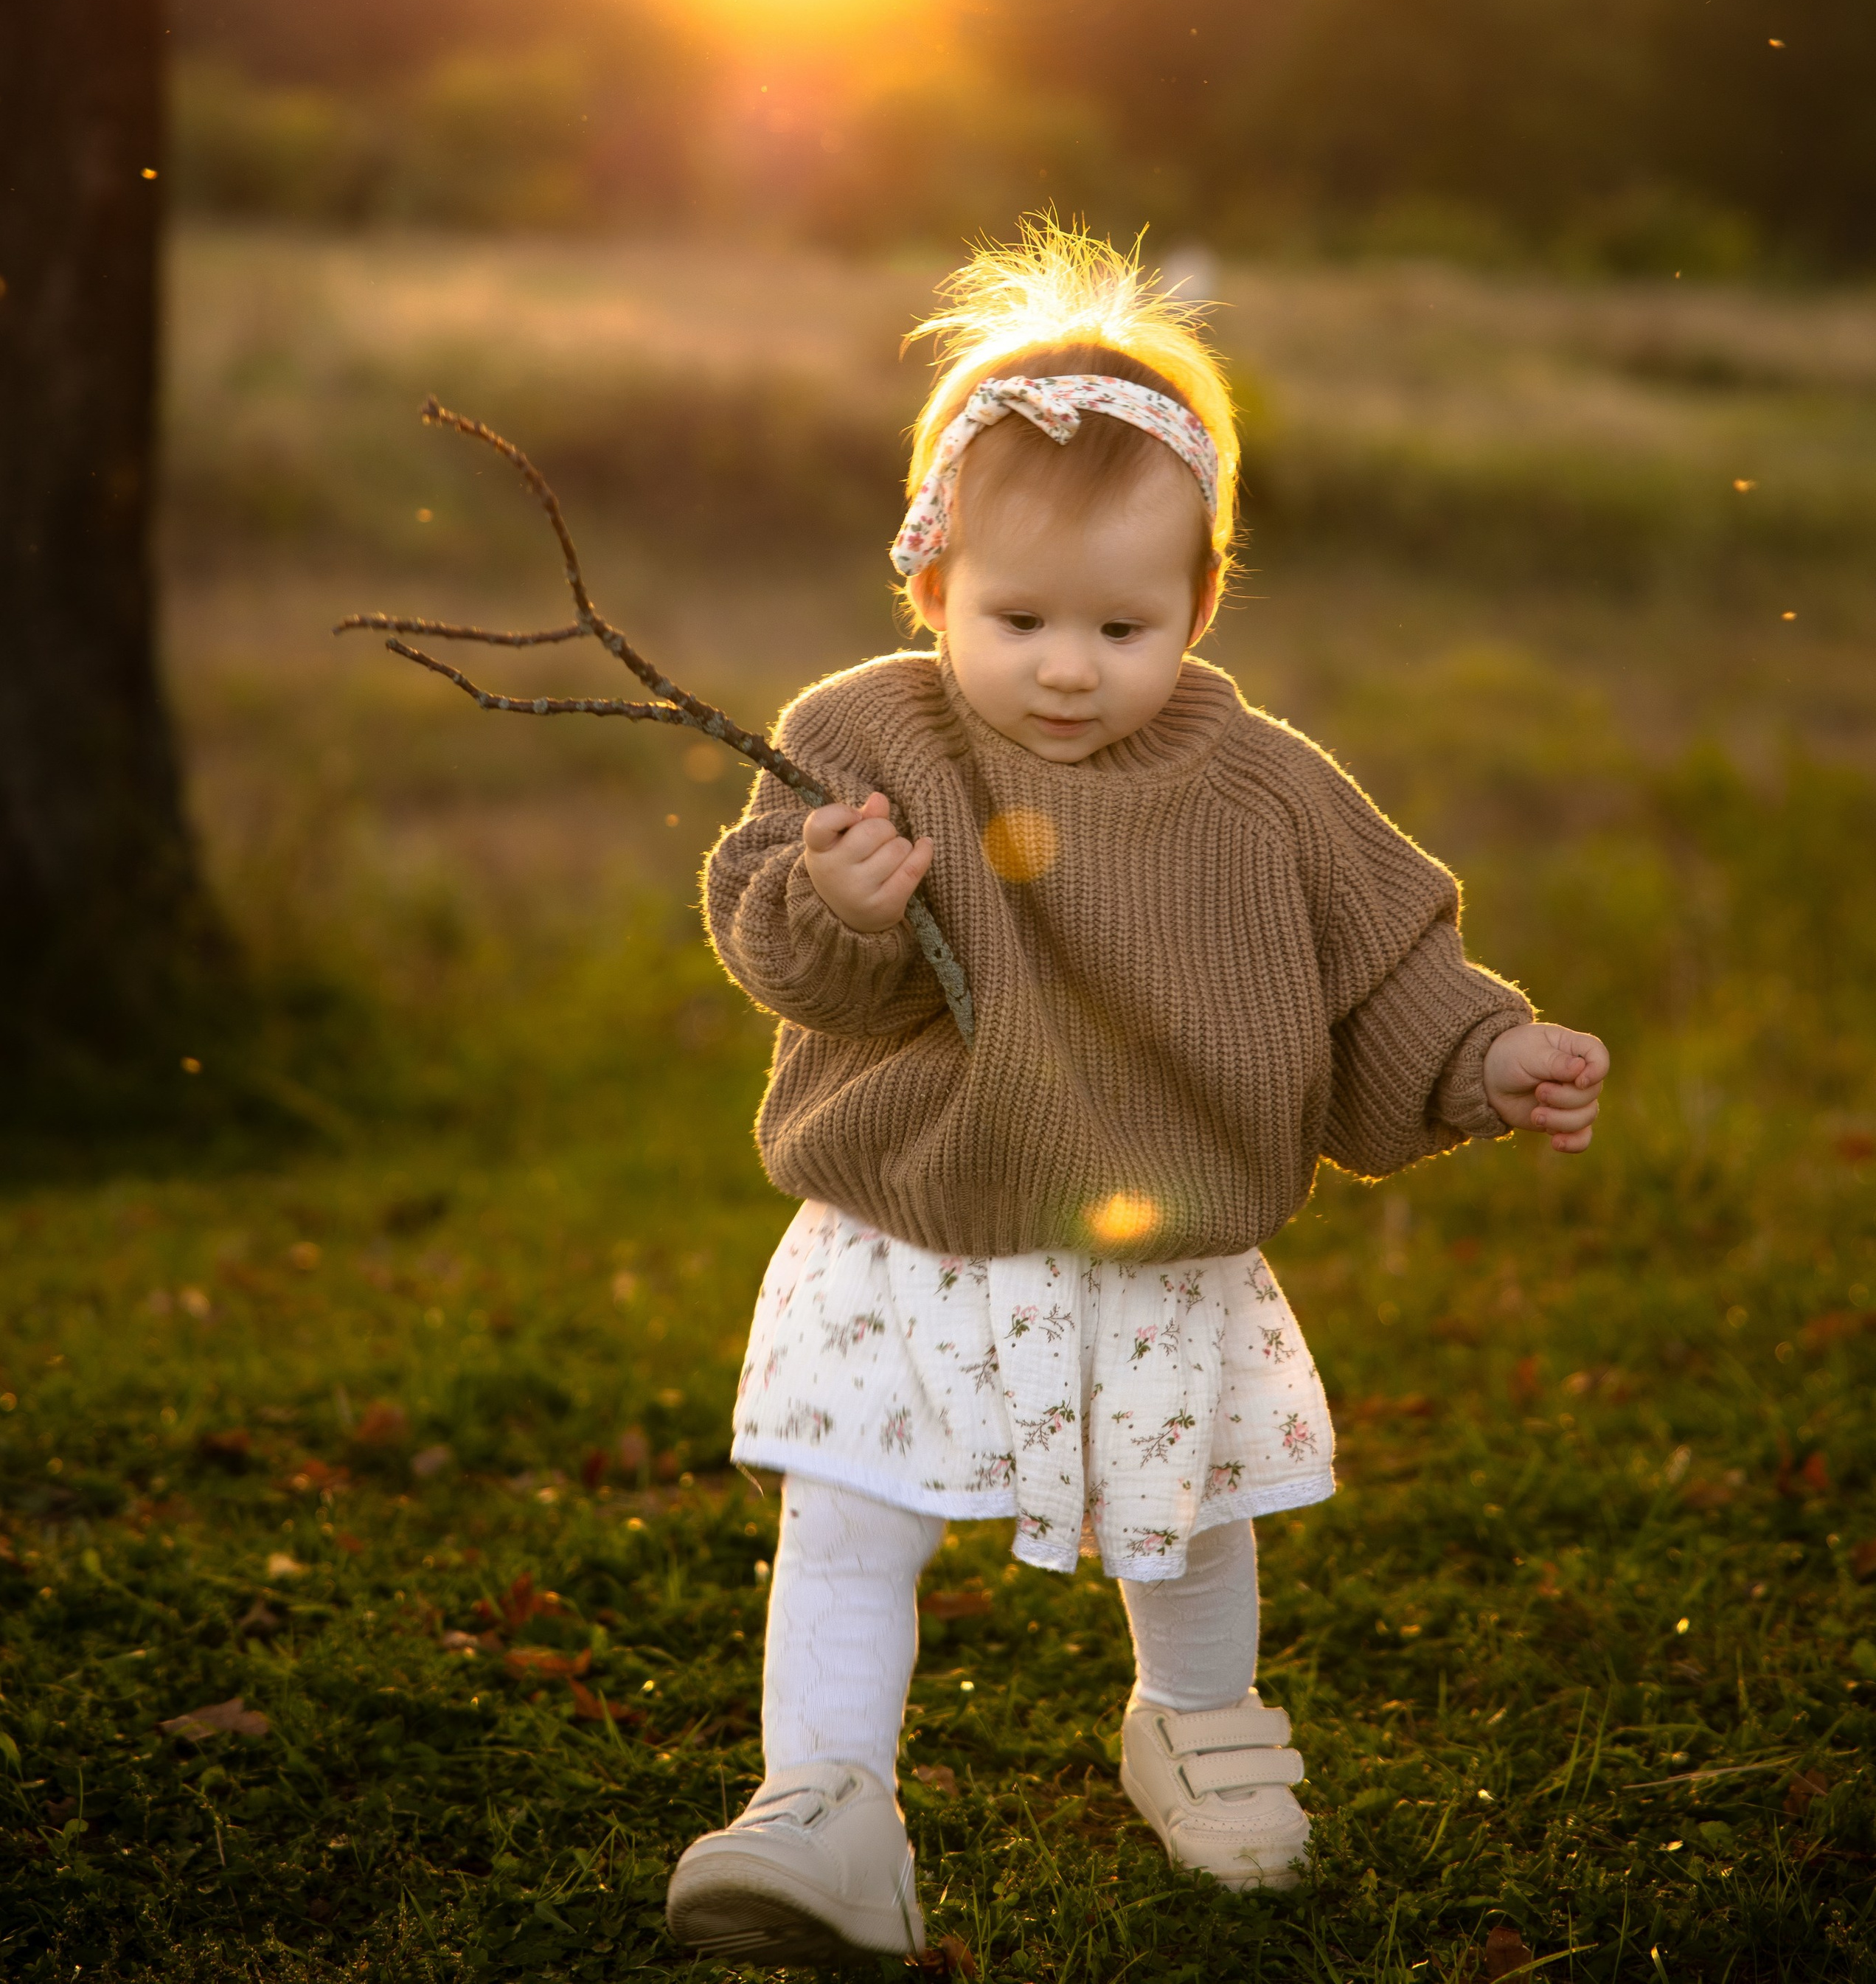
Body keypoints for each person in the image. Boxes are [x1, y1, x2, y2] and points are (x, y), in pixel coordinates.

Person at [665, 221, 1608, 1965]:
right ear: (929, 586)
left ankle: (1193, 1723)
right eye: (1019, 619)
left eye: (1125, 621)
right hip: (914, 1225)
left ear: (1199, 602)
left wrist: (1482, 1056)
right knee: (850, 1504)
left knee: (1183, 1512)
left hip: (1158, 1240)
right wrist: (833, 902)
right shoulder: (871, 741)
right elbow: (778, 945)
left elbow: (1379, 963)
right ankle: (824, 1800)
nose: (1070, 666)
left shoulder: (1261, 788)